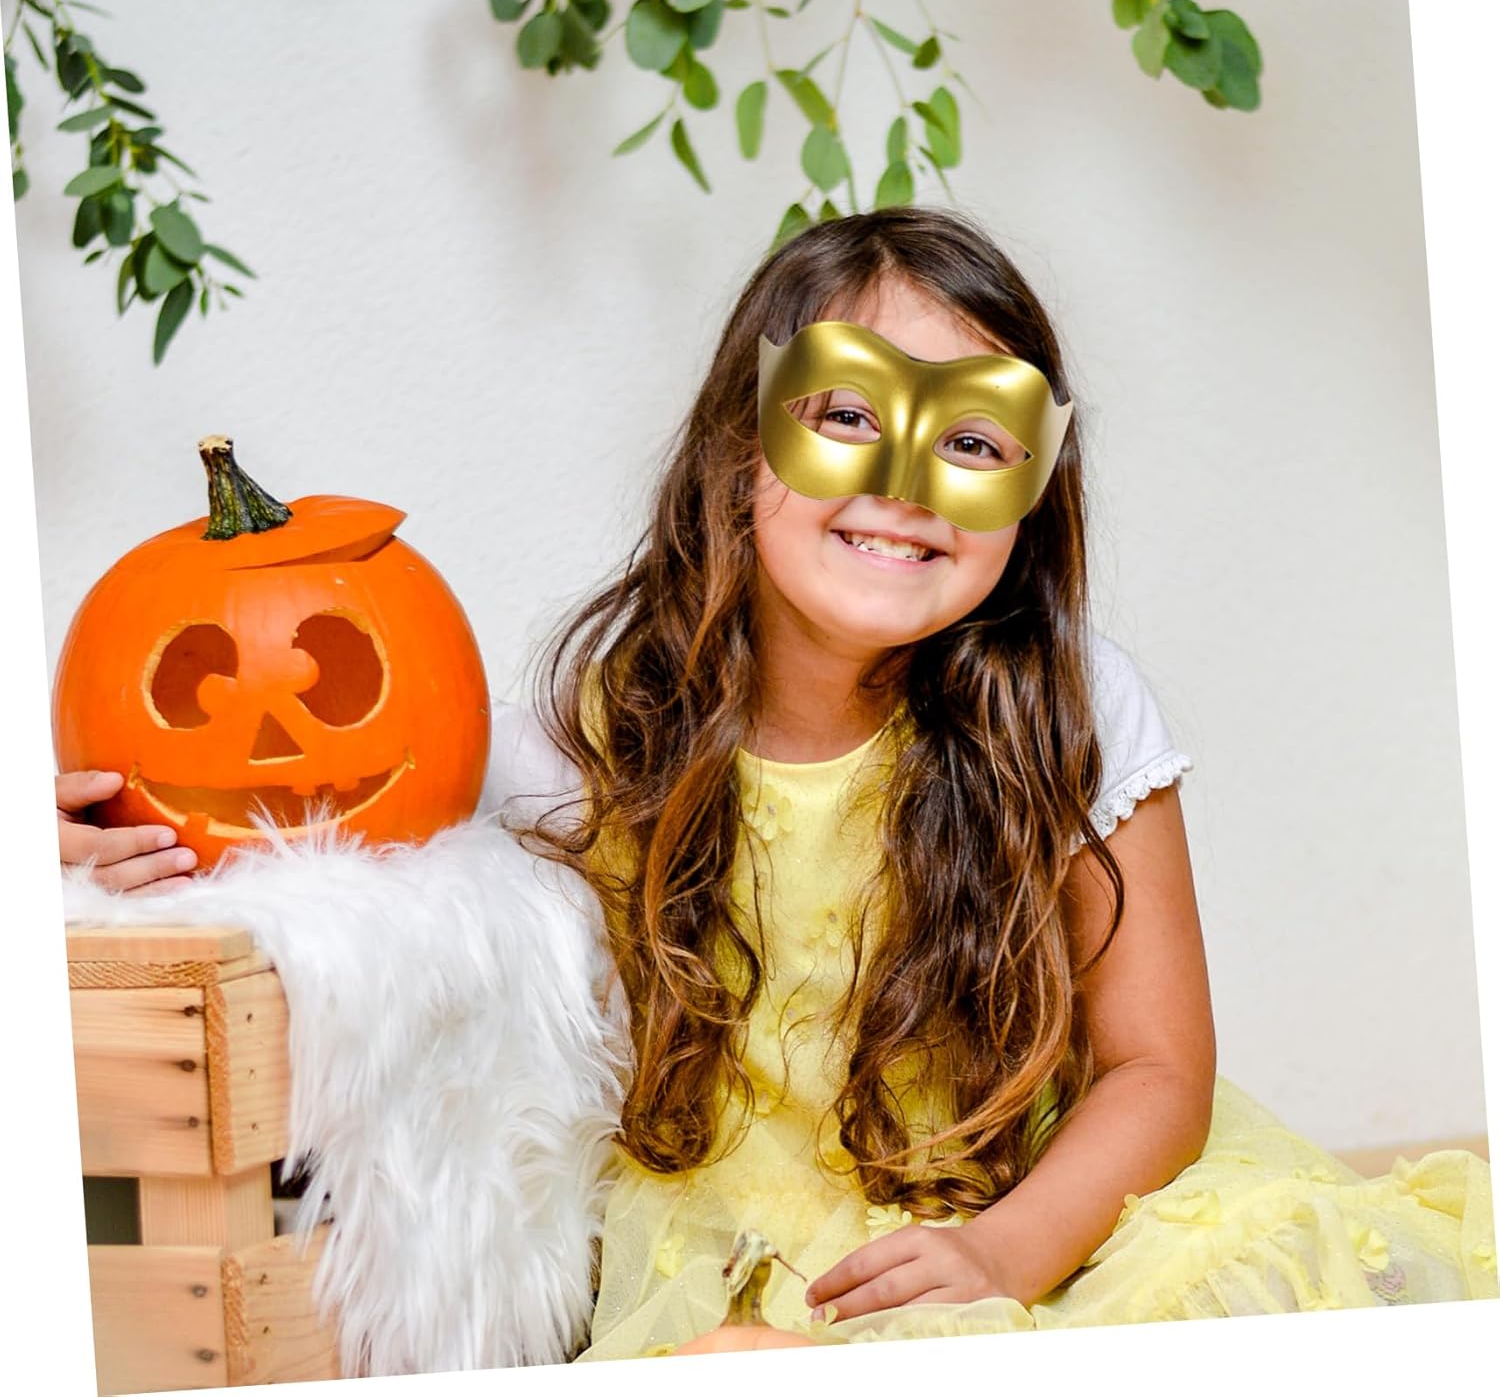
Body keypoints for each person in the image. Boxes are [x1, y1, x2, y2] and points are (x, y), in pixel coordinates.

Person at [59, 207, 1495, 1358]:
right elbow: (337, 850)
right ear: (740, 445)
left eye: (974, 439)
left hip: (1037, 1210)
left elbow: (1159, 1067)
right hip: (731, 1242)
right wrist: (89, 846)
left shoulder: (1075, 707)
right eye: (846, 417)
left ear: (1035, 485)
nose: (907, 482)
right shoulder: (597, 723)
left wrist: (1004, 1254)